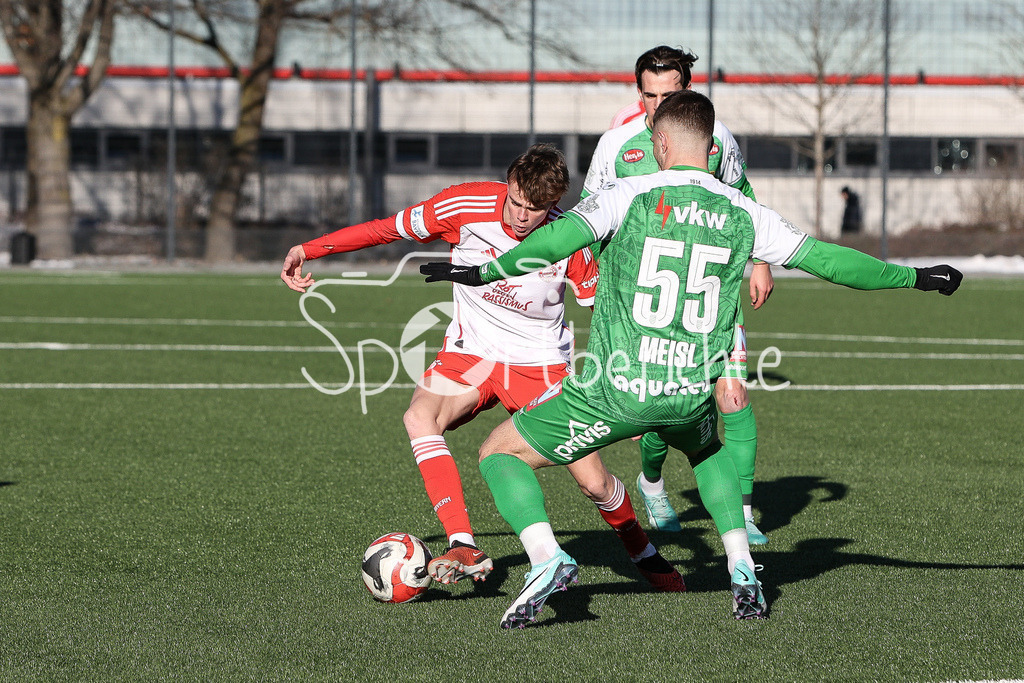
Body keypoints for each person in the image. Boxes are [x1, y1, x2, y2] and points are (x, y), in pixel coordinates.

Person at [420, 90, 962, 627]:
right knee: (706, 452)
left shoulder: (627, 194)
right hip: (689, 392)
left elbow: (559, 237)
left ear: (659, 143)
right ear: (711, 149)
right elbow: (830, 260)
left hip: (618, 389)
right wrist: (915, 276)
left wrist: (488, 270)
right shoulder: (745, 212)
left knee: (499, 452)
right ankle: (743, 567)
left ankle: (545, 558)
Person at [280, 144, 685, 593]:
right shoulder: (464, 204)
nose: (520, 217)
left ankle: (642, 551)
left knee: (594, 483)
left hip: (540, 365)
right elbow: (387, 229)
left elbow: (609, 316)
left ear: (554, 205)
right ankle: (463, 543)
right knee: (419, 417)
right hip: (471, 354)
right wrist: (309, 249)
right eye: (514, 202)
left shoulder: (569, 237)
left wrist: (619, 391)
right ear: (507, 184)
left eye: (535, 209)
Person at [583, 45, 772, 544]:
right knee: (661, 406)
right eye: (649, 95)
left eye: (670, 94)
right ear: (638, 93)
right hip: (643, 301)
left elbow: (743, 198)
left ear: (688, 90)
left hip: (711, 291)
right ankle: (652, 483)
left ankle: (746, 513)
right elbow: (588, 214)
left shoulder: (716, 140)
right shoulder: (615, 147)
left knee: (732, 394)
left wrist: (760, 259)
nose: (658, 104)